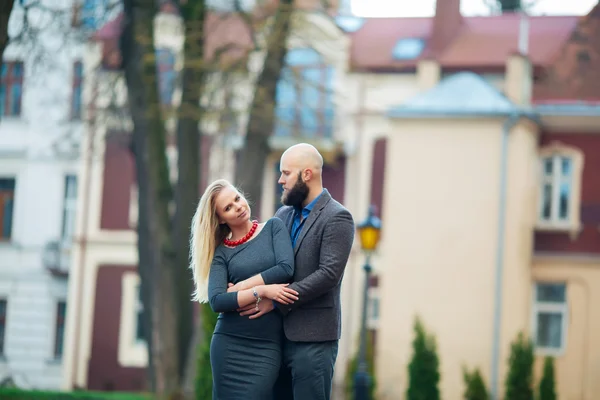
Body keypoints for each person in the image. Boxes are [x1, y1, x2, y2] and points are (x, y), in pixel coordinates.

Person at [237, 143, 355, 399]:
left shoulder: (338, 217)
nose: (280, 180)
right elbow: (268, 264)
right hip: (275, 339)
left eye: (286, 173)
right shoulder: (283, 215)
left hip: (313, 339)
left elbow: (328, 275)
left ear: (307, 174)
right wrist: (241, 286)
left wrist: (276, 300)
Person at [189, 178, 300, 400]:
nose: (238, 207)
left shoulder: (273, 228)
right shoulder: (221, 253)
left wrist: (243, 287)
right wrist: (264, 291)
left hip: (266, 346)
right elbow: (218, 301)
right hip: (229, 345)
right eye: (228, 208)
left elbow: (286, 268)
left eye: (237, 199)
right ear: (220, 219)